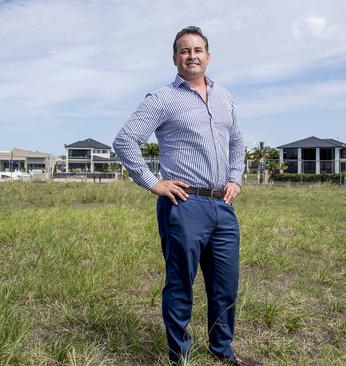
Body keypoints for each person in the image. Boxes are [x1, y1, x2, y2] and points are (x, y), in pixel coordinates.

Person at [113, 26, 260, 366]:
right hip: (184, 203)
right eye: (184, 51)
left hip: (222, 205)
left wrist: (236, 177)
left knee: (225, 284)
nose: (191, 55)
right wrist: (152, 182)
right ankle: (179, 356)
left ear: (208, 56)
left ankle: (222, 351)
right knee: (180, 285)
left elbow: (237, 141)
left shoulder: (224, 96)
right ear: (175, 58)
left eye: (198, 50)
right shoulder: (163, 98)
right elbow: (125, 140)